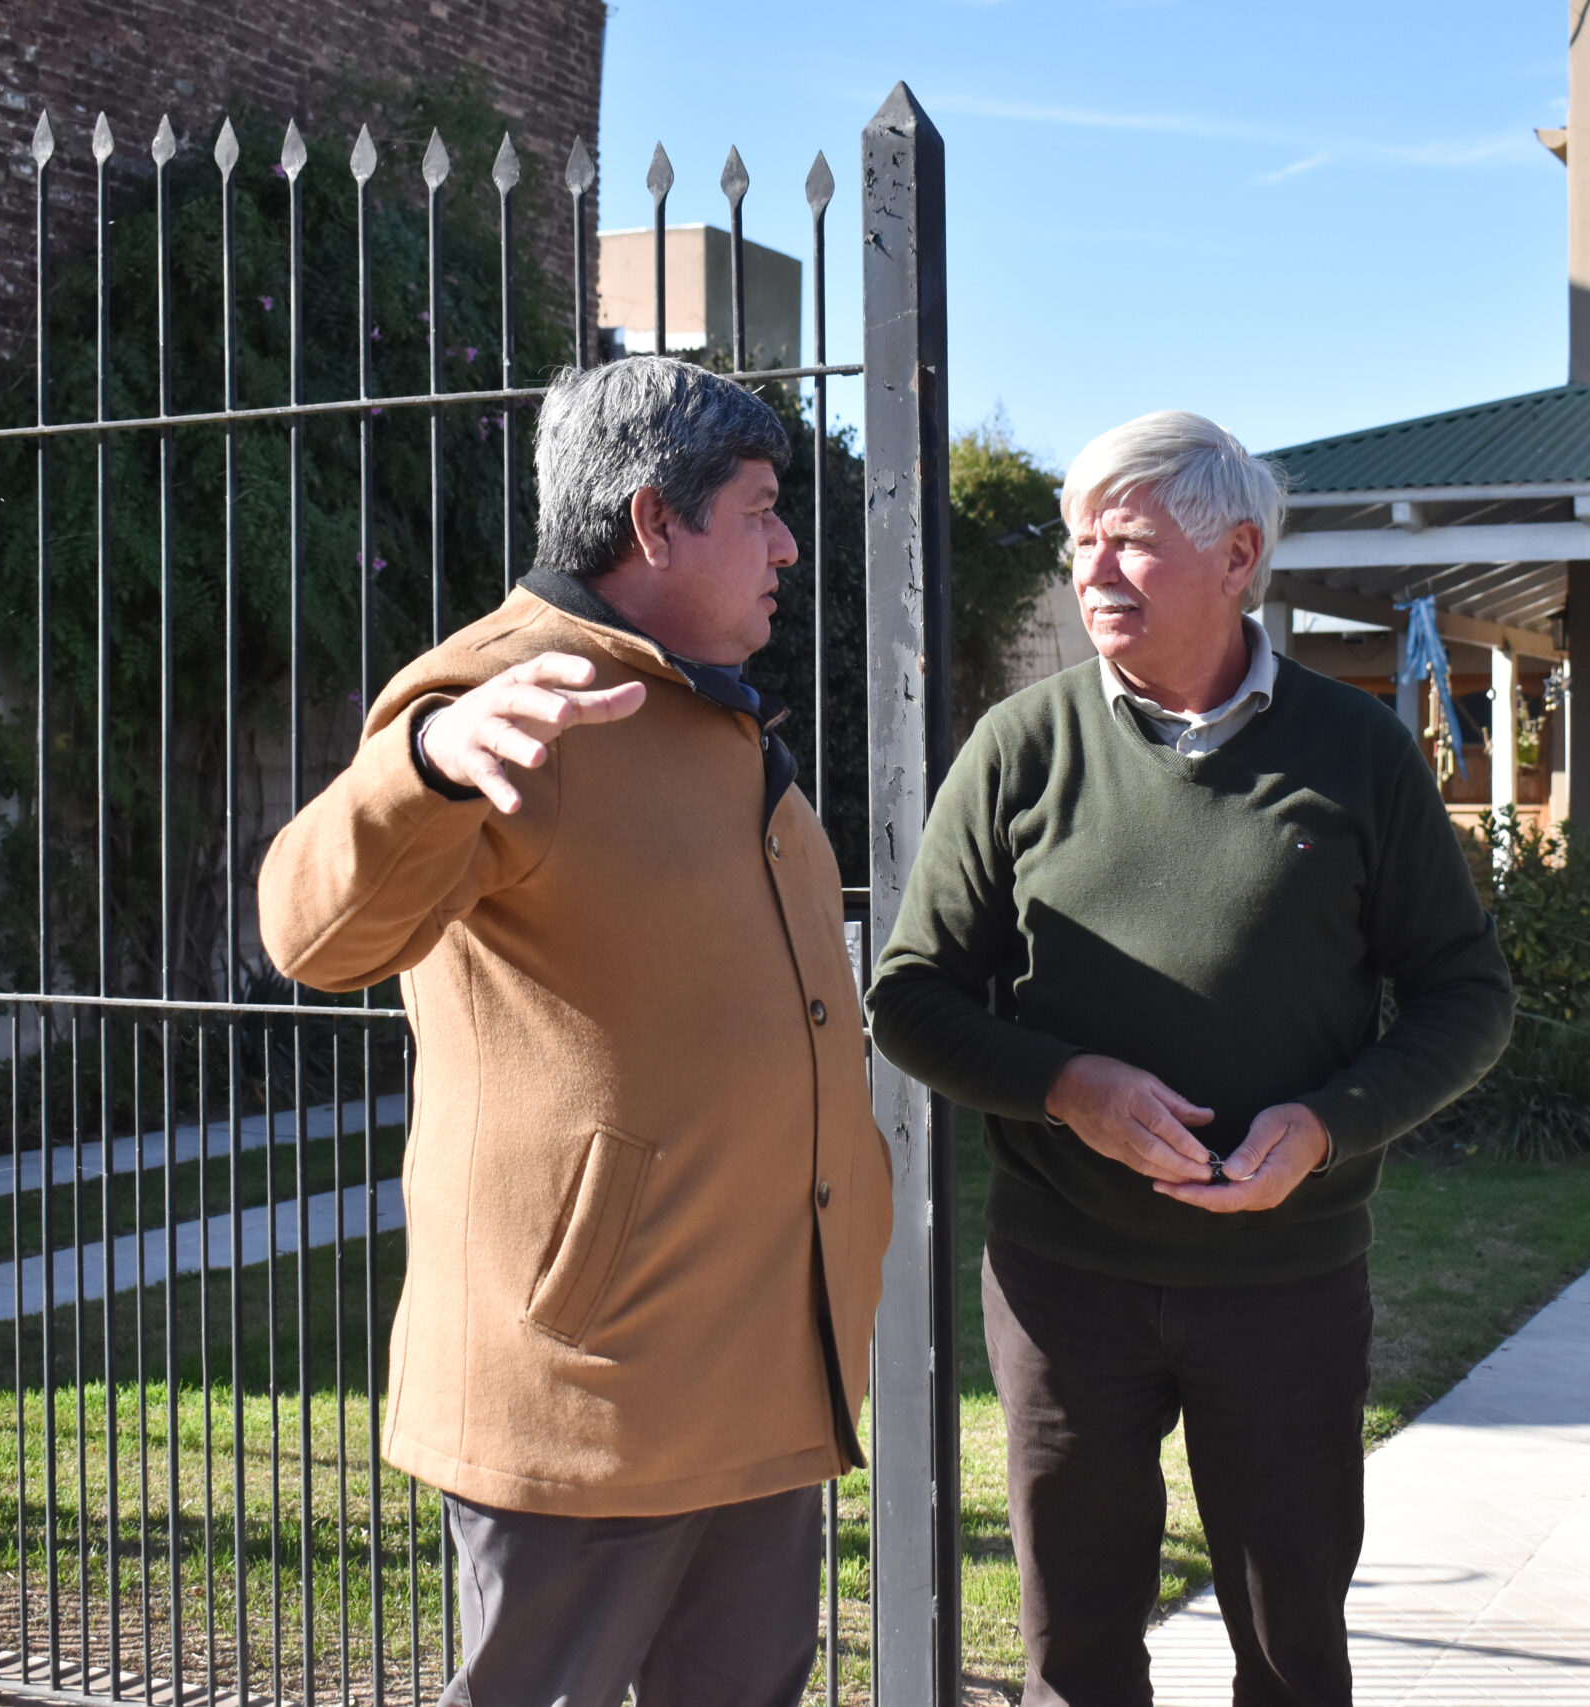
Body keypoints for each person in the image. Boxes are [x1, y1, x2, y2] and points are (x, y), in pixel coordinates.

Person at [258, 355, 891, 1707]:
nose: (788, 545)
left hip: (759, 1375)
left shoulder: (693, 697)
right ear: (657, 522)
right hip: (590, 1396)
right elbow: (313, 935)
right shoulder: (496, 695)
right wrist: (423, 766)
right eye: (763, 509)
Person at [867, 411, 1515, 1707]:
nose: (1090, 574)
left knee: (1290, 1650)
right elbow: (912, 999)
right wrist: (1070, 1088)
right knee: (1076, 1650)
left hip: (1286, 1288)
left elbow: (1468, 997)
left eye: (1128, 546)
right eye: (1080, 545)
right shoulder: (1021, 749)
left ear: (1235, 556)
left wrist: (1331, 1124)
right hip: (1066, 1288)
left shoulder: (1359, 754)